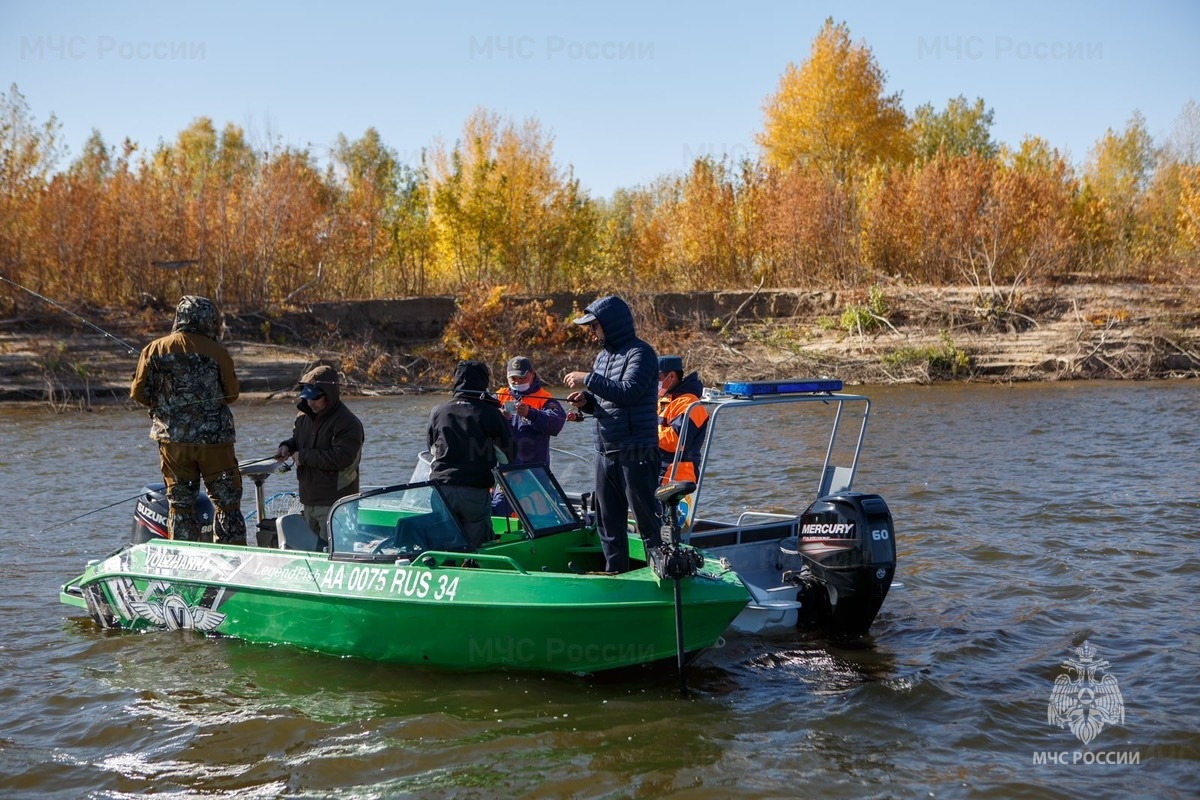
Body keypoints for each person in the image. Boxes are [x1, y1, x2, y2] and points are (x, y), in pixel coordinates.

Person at [130, 295, 246, 544]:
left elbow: (138, 393)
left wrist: (167, 408)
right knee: (226, 503)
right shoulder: (218, 352)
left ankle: (182, 559)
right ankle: (232, 558)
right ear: (209, 320)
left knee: (180, 505)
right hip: (215, 443)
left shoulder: (153, 349)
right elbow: (232, 394)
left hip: (173, 443)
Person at [564, 295, 660, 573]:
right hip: (606, 451)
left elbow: (629, 393)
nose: (592, 333)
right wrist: (588, 402)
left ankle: (661, 574)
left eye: (594, 327)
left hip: (637, 452)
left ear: (610, 324)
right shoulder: (602, 357)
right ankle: (614, 573)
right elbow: (609, 402)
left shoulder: (641, 354)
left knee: (646, 521)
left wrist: (588, 379)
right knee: (607, 520)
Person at [427, 360, 515, 550]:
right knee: (475, 549)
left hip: (440, 489)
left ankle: (445, 572)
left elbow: (432, 450)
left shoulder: (438, 412)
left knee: (443, 542)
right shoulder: (492, 413)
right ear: (483, 381)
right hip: (474, 492)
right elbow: (508, 457)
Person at [274, 365, 364, 547]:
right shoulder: (303, 417)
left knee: (336, 552)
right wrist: (287, 446)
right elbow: (299, 440)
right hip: (308, 500)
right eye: (307, 397)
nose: (310, 403)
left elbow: (341, 458)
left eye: (315, 397)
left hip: (336, 504)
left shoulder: (348, 423)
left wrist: (304, 456)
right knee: (309, 551)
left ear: (329, 395)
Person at [492, 355, 567, 515]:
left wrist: (531, 413)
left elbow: (557, 422)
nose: (517, 381)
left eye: (522, 377)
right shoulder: (499, 396)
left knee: (540, 515)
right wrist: (497, 414)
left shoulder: (545, 398)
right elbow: (480, 415)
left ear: (532, 374)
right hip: (506, 472)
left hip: (534, 472)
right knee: (499, 509)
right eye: (513, 378)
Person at [656, 355, 709, 484]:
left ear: (672, 376)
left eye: (657, 378)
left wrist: (643, 432)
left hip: (679, 477)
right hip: (661, 471)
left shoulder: (689, 403)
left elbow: (677, 441)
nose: (653, 383)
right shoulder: (665, 399)